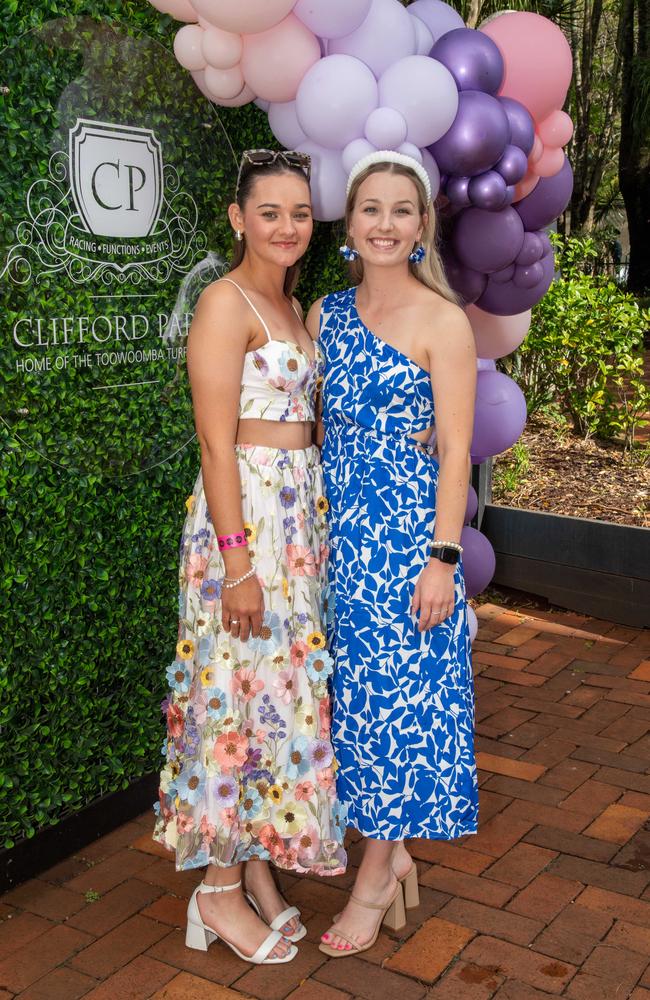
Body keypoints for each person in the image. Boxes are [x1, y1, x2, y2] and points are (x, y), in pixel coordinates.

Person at [154, 149, 346, 966]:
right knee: (236, 695)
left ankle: (256, 870)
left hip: (295, 526)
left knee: (277, 694)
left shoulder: (292, 302)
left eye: (299, 213)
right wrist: (238, 565)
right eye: (270, 212)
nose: (287, 226)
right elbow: (214, 441)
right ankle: (217, 891)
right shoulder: (224, 302)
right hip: (249, 528)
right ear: (238, 218)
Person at [306, 151, 479, 958]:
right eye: (369, 208)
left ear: (421, 226)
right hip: (338, 540)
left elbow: (454, 453)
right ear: (350, 221)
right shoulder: (323, 316)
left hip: (408, 543)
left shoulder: (444, 321)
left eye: (400, 210)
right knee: (354, 708)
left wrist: (442, 559)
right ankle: (391, 849)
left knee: (399, 708)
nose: (383, 223)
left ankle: (375, 873)